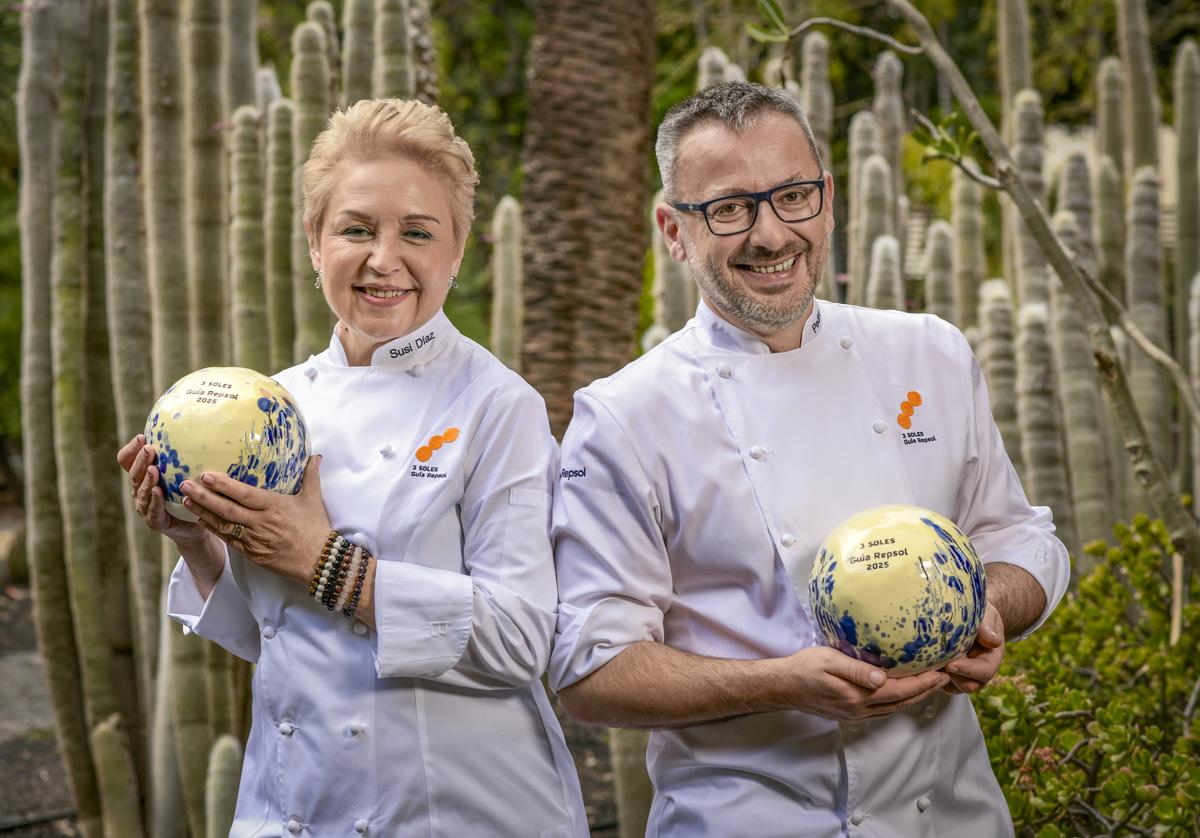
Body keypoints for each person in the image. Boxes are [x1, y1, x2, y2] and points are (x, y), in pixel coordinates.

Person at [549, 81, 1070, 837]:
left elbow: (1022, 539)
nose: (770, 234)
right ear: (673, 229)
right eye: (729, 209)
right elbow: (591, 673)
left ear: (826, 199)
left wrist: (985, 612)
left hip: (950, 815)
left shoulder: (930, 351)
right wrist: (782, 685)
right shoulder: (626, 416)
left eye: (793, 195)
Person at [117, 98, 588, 837]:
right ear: (315, 240)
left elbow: (523, 638)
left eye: (418, 233)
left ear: (458, 251)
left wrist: (327, 563)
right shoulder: (274, 406)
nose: (383, 259)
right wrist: (192, 534)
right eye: (356, 229)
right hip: (290, 808)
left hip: (458, 814)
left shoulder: (500, 406)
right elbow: (274, 636)